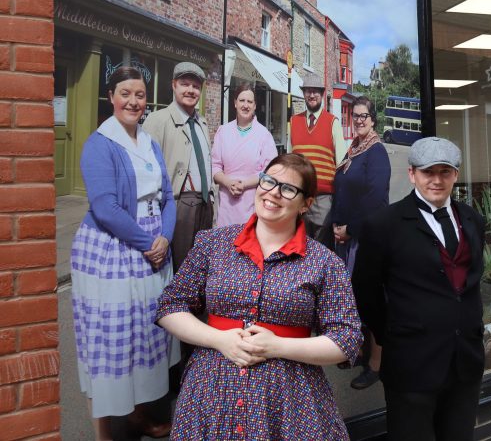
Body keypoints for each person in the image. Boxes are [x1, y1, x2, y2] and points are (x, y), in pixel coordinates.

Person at [156, 153, 363, 440]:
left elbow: (347, 338)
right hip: (210, 393)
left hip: (290, 398)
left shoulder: (324, 263)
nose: (273, 193)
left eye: (288, 189)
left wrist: (278, 346)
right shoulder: (213, 243)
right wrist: (219, 339)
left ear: (306, 204)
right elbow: (170, 305)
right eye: (268, 181)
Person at [71, 66, 179, 440]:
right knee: (109, 343)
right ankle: (103, 433)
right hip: (113, 250)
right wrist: (149, 242)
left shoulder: (148, 141)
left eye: (140, 94)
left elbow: (167, 196)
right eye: (125, 93)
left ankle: (137, 413)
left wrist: (165, 235)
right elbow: (105, 207)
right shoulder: (99, 144)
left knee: (143, 335)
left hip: (152, 246)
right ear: (111, 97)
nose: (134, 101)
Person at [353, 137, 486, 441]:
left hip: (465, 361)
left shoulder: (472, 219)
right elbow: (365, 290)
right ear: (412, 174)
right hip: (411, 363)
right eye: (428, 172)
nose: (437, 180)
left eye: (445, 172)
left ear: (456, 174)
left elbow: (468, 282)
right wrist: (393, 333)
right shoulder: (384, 224)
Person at [331, 96, 391, 389]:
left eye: (364, 116)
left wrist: (350, 230)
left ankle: (376, 365)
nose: (359, 120)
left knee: (370, 300)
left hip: (366, 240)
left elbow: (376, 202)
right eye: (355, 116)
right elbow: (343, 190)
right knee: (352, 299)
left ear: (373, 119)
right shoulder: (354, 148)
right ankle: (358, 352)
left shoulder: (376, 152)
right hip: (346, 237)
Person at [143, 61, 214, 272]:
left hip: (204, 205)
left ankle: (195, 305)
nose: (190, 90)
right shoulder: (158, 121)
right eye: (185, 84)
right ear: (174, 85)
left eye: (195, 86)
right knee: (181, 269)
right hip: (179, 205)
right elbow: (148, 172)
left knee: (201, 266)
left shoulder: (202, 123)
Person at [288, 72, 346, 240]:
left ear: (322, 94)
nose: (311, 95)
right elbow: (290, 163)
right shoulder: (294, 122)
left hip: (324, 200)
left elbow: (342, 166)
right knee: (298, 246)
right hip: (299, 197)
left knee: (322, 248)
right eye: (308, 91)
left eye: (315, 91)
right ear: (304, 94)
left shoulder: (332, 122)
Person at [211, 84, 277, 226]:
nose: (245, 105)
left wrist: (245, 184)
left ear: (254, 106)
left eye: (249, 102)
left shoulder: (264, 135)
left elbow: (271, 172)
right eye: (242, 100)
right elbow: (215, 166)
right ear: (235, 103)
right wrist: (228, 183)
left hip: (252, 205)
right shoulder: (223, 132)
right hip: (226, 207)